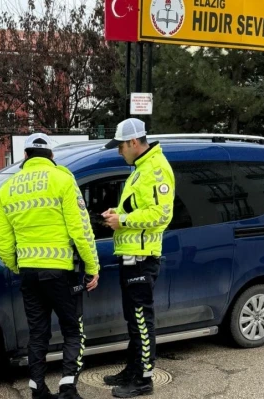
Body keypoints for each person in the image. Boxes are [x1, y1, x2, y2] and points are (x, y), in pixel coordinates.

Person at [0, 133, 100, 399]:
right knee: (72, 330)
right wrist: (92, 265)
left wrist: (17, 267)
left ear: (25, 156)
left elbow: (1, 240)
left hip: (29, 272)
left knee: (38, 332)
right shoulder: (63, 180)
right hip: (61, 272)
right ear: (52, 156)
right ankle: (67, 387)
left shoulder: (7, 188)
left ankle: (37, 388)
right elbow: (81, 229)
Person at [100, 118, 175, 398]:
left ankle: (144, 380)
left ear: (133, 142)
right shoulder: (141, 169)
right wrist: (116, 213)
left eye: (120, 146)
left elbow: (161, 215)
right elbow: (138, 208)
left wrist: (124, 219)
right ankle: (133, 369)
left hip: (142, 258)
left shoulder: (155, 169)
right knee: (134, 319)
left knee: (142, 320)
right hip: (131, 256)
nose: (119, 152)